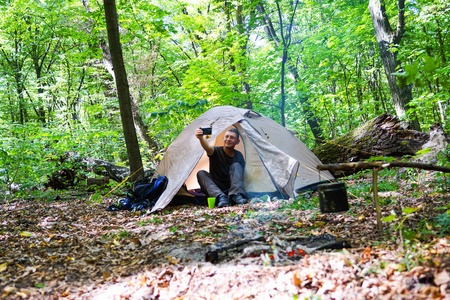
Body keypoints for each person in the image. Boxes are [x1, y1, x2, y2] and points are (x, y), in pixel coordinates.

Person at [195, 127, 248, 207]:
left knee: (236, 165)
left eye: (232, 137)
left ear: (237, 142)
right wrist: (201, 138)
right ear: (223, 138)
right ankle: (221, 197)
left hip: (232, 188)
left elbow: (242, 175)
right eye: (226, 137)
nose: (228, 139)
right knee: (201, 173)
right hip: (216, 188)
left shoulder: (239, 155)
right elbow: (207, 148)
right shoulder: (215, 151)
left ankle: (236, 196)